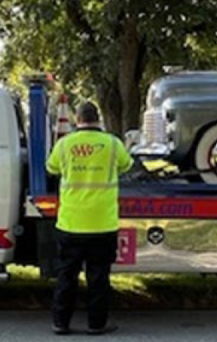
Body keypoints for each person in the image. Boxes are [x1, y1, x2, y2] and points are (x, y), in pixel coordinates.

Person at [46, 101, 133, 335]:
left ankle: (60, 323)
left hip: (71, 222)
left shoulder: (64, 145)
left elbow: (52, 168)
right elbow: (126, 166)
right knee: (98, 278)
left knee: (67, 275)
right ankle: (97, 324)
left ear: (77, 119)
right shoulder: (113, 144)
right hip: (102, 224)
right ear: (98, 119)